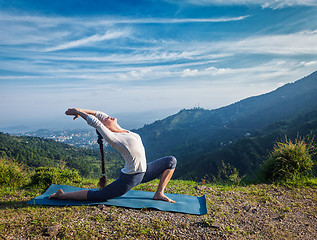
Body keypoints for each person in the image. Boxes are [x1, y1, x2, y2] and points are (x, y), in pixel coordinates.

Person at [49, 108, 177, 203]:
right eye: (106, 119)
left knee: (171, 161)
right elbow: (96, 122)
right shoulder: (114, 138)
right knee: (98, 196)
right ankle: (62, 195)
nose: (108, 117)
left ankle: (159, 193)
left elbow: (99, 115)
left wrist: (81, 110)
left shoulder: (122, 131)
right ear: (105, 128)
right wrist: (78, 111)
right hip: (130, 178)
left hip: (144, 172)